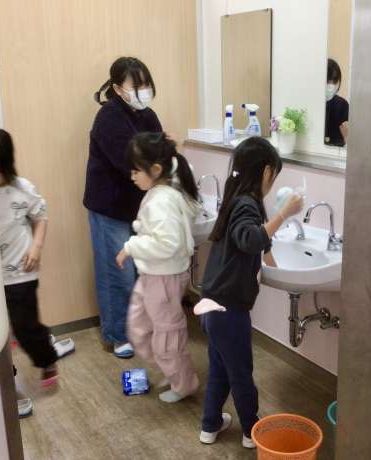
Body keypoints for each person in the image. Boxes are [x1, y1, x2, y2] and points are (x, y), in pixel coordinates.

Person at [197, 137, 304, 448]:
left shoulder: (236, 199)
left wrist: (276, 268)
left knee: (220, 369)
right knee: (241, 372)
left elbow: (260, 243)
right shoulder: (247, 203)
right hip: (228, 310)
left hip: (211, 302)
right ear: (267, 171)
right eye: (275, 176)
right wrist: (284, 214)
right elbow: (251, 239)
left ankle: (210, 425)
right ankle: (250, 431)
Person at [84, 57, 162, 359]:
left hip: (139, 206)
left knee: (141, 270)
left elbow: (158, 153)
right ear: (118, 89)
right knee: (117, 272)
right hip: (110, 206)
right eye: (137, 85)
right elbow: (129, 161)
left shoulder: (148, 115)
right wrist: (158, 155)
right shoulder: (109, 117)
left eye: (146, 84)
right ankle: (118, 335)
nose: (144, 90)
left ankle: (139, 328)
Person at [116, 132, 200, 403]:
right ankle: (170, 368)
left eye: (135, 171)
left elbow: (167, 244)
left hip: (164, 279)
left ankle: (183, 383)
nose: (132, 177)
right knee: (138, 325)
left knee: (167, 335)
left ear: (155, 170)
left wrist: (131, 246)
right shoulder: (161, 190)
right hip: (153, 275)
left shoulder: (162, 200)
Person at [0, 128, 59, 388]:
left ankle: (46, 359)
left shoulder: (22, 189)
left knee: (25, 326)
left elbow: (41, 217)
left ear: (7, 165)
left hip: (21, 272)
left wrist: (36, 247)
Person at [325, 58, 349, 147]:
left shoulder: (343, 105)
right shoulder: (312, 103)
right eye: (328, 81)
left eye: (334, 82)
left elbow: (348, 140)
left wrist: (347, 137)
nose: (331, 85)